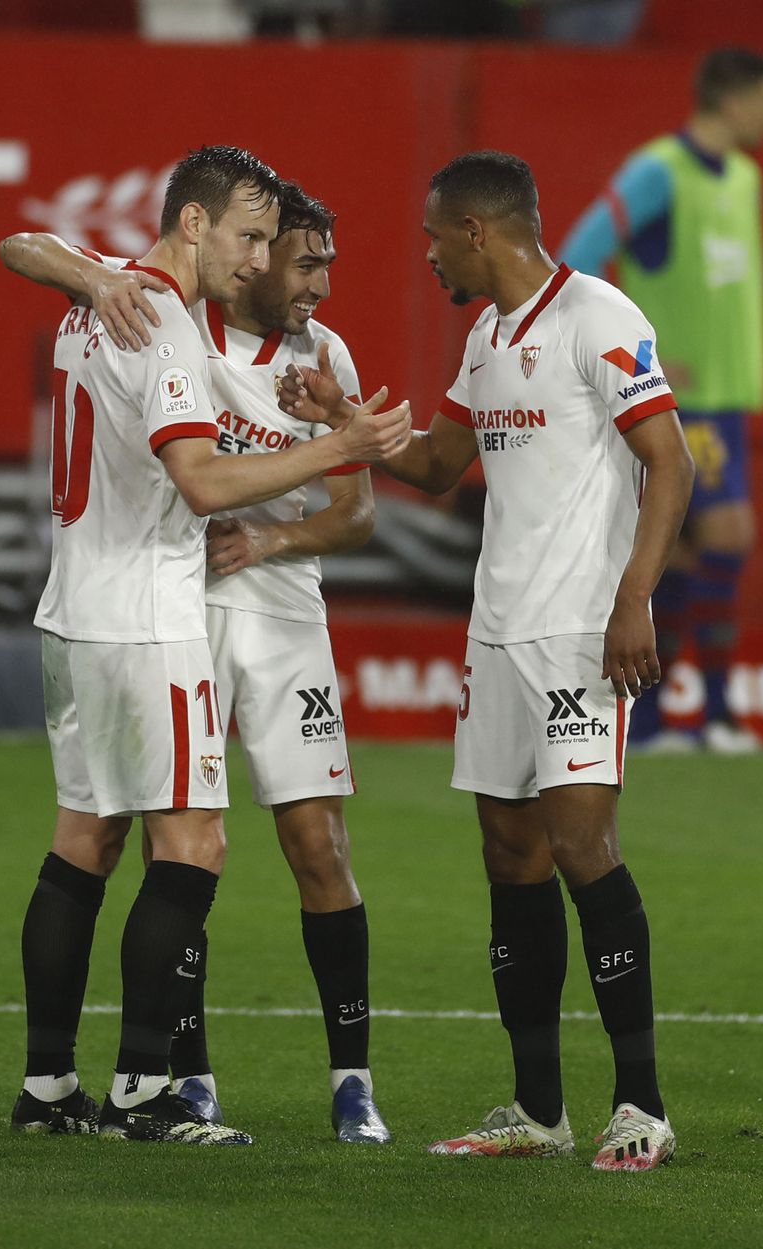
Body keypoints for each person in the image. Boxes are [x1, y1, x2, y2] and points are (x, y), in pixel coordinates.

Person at [280, 151, 695, 1172]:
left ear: (475, 230)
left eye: (431, 235)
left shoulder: (596, 316)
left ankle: (639, 1105)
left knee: (583, 847)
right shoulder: (487, 332)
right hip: (497, 632)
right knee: (510, 859)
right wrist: (342, 417)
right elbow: (434, 463)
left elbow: (670, 461)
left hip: (577, 632)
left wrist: (632, 598)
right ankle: (538, 1108)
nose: (423, 254)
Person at [6, 146, 409, 1146]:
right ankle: (150, 1091)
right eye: (250, 236)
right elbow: (204, 482)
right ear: (195, 226)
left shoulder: (96, 303)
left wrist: (88, 269)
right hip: (151, 614)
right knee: (194, 845)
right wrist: (342, 448)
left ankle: (49, 1088)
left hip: (71, 609)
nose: (261, 256)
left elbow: (26, 245)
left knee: (83, 842)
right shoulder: (171, 327)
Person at [560, 47, 763, 754]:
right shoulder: (660, 171)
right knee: (729, 533)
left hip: (727, 396)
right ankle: (714, 713)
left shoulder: (745, 177)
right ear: (731, 101)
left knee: (683, 556)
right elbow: (580, 252)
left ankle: (657, 722)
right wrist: (632, 347)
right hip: (681, 398)